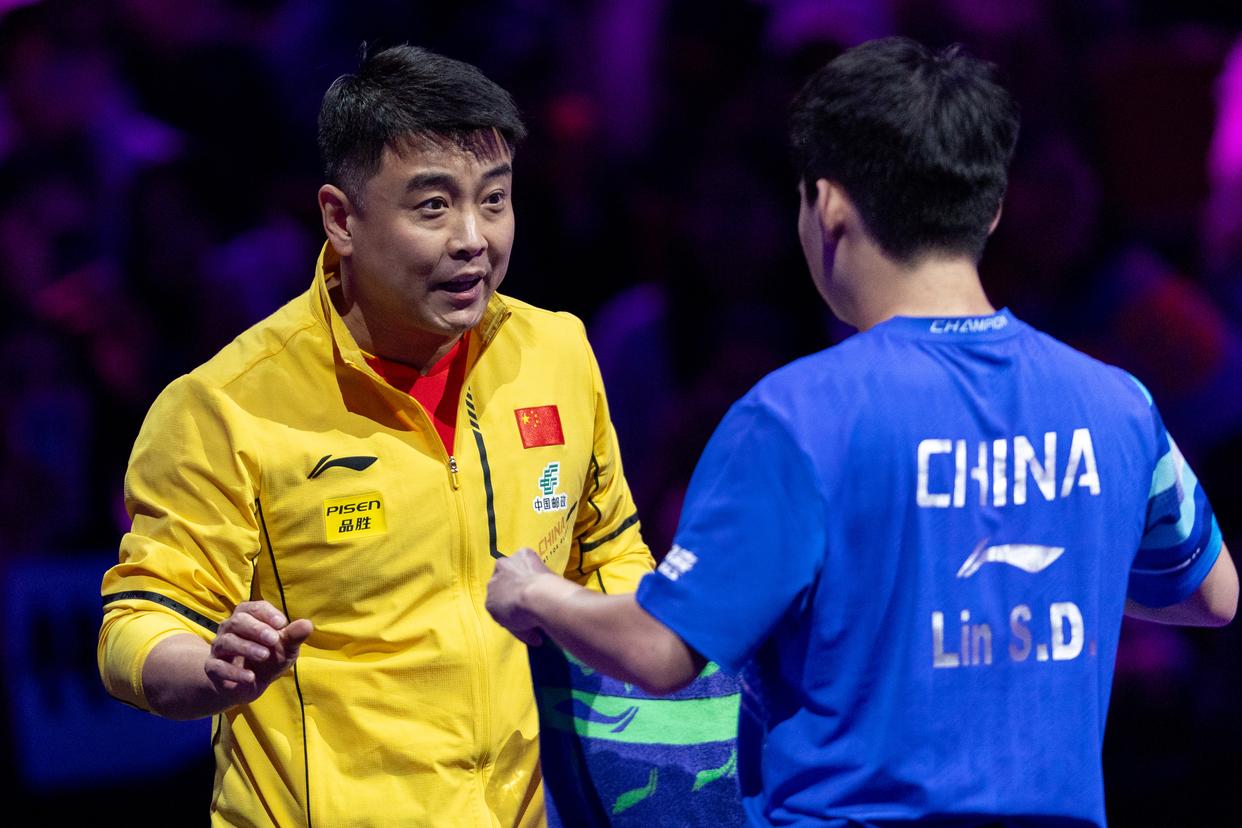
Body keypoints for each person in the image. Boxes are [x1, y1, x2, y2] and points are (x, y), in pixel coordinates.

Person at [486, 36, 1239, 827]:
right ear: (991, 207)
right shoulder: (1118, 403)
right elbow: (1213, 594)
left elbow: (659, 650)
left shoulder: (796, 417)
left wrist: (536, 591)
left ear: (829, 204)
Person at [97, 45, 656, 827]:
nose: (474, 238)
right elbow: (137, 623)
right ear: (341, 219)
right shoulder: (224, 407)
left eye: (495, 200)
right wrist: (210, 668)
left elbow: (609, 551)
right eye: (433, 206)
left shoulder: (557, 351)